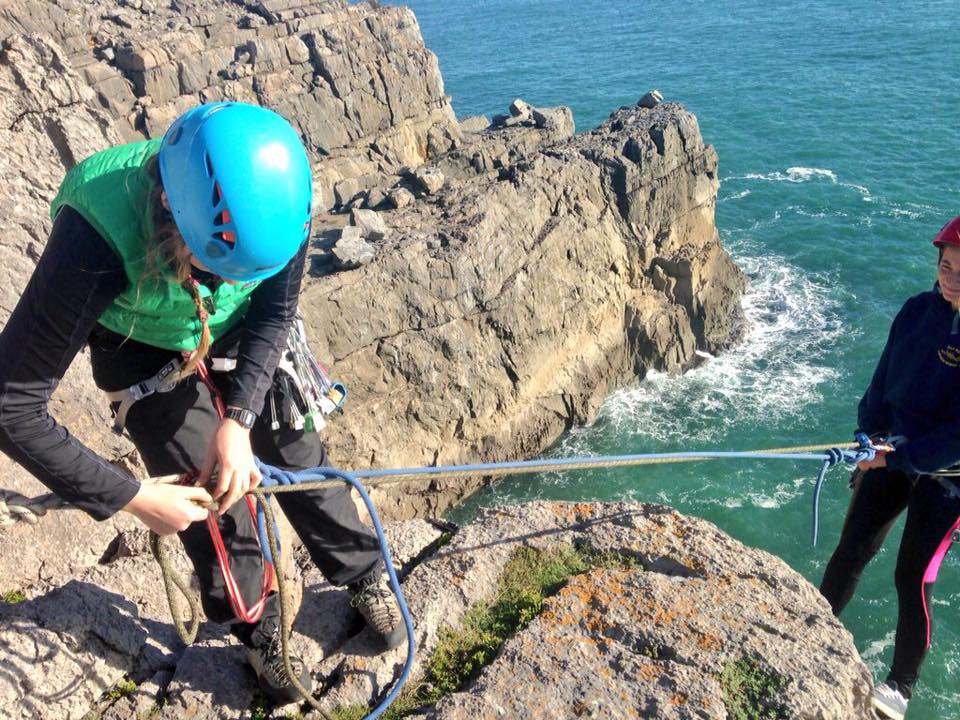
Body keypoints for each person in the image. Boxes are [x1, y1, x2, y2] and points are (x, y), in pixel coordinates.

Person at [0, 101, 404, 706]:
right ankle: (258, 625)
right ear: (170, 208)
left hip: (243, 325)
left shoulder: (276, 202)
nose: (214, 280)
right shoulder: (97, 232)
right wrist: (133, 498)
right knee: (203, 492)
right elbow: (11, 404)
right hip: (139, 345)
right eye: (211, 265)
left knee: (292, 448)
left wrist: (239, 420)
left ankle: (364, 568)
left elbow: (274, 308)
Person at [819, 215, 960, 720]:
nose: (950, 279)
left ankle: (899, 688)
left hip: (948, 479)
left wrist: (900, 455)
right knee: (852, 547)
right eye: (946, 266)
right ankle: (814, 630)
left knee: (912, 576)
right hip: (892, 452)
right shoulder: (917, 312)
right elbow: (882, 382)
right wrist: (867, 431)